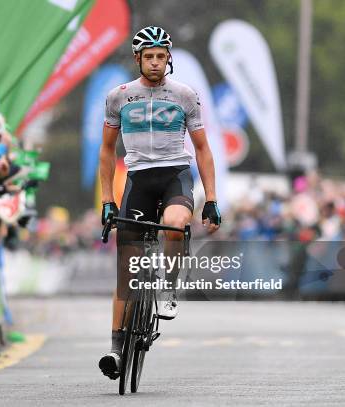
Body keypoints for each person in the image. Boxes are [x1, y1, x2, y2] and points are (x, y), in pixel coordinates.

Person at [97, 26, 222, 379]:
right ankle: (116, 350)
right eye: (148, 57)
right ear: (138, 59)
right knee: (127, 271)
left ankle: (168, 286)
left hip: (174, 176)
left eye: (161, 56)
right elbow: (107, 151)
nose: (155, 63)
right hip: (138, 179)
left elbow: (202, 149)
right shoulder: (118, 96)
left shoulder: (185, 95)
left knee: (177, 223)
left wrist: (211, 198)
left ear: (169, 59)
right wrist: (107, 199)